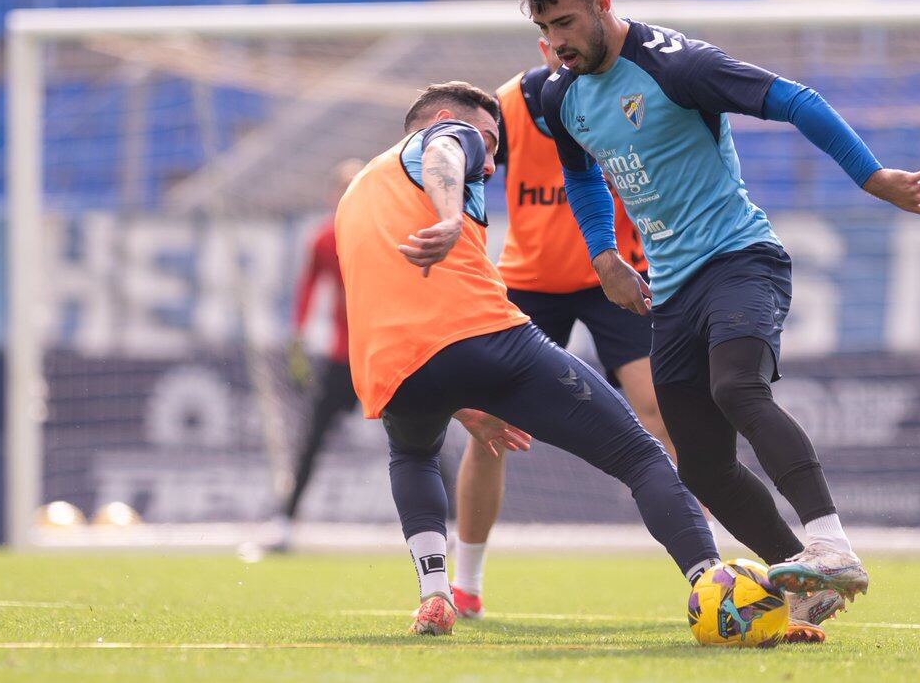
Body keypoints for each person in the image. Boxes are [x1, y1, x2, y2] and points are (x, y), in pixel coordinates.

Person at [511, 0, 920, 606]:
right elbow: (581, 175)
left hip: (740, 259)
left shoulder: (674, 66)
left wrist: (871, 175)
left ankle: (830, 543)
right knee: (705, 468)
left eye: (564, 22)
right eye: (542, 28)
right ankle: (806, 582)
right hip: (673, 290)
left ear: (602, 2)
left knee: (737, 389)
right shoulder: (563, 99)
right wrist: (604, 256)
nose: (556, 41)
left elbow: (795, 99)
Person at [334, 81, 721, 637]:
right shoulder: (447, 138)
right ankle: (712, 582)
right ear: (447, 118)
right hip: (486, 337)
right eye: (490, 144)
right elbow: (448, 149)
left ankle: (436, 592)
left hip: (393, 368)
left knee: (413, 456)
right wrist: (448, 216)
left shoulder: (357, 193)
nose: (491, 163)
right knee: (642, 456)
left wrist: (459, 399)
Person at [449, 38, 672, 621]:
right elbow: (470, 185)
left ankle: (709, 563)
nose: (566, 53)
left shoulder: (624, 95)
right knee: (489, 425)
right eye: (554, 41)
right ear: (543, 43)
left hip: (615, 273)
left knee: (663, 409)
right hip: (529, 282)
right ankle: (465, 581)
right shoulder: (506, 106)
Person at [272, 159, 365, 551]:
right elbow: (308, 289)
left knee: (423, 435)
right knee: (311, 438)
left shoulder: (385, 234)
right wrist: (298, 338)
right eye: (341, 187)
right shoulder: (324, 240)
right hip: (343, 356)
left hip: (383, 353)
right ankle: (285, 522)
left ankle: (452, 526)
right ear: (332, 194)